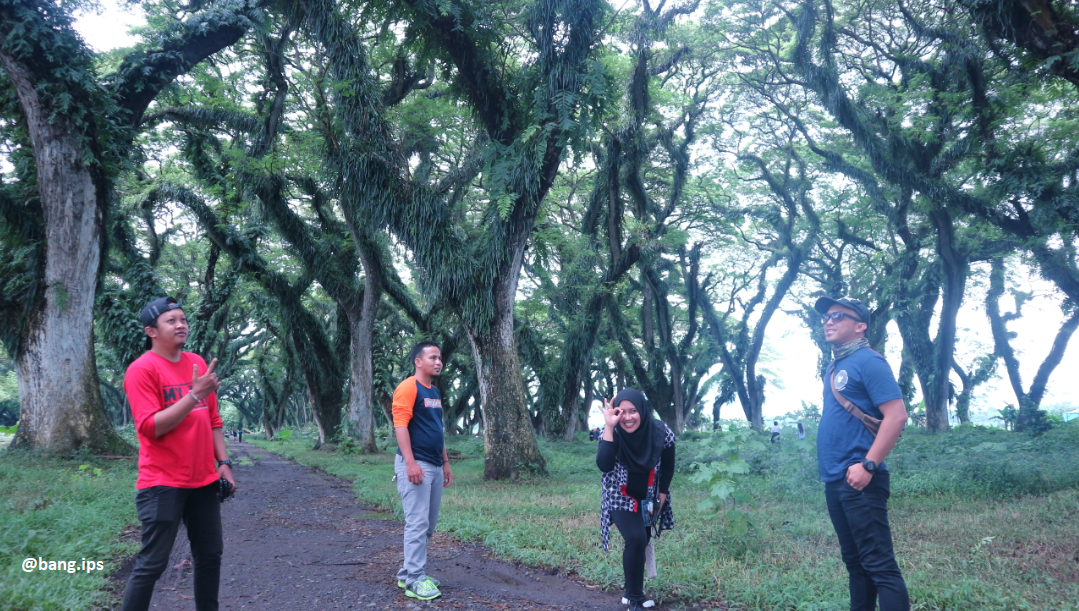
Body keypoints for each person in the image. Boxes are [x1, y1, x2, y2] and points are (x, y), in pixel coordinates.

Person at [121, 297, 235, 611]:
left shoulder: (196, 362)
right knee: (152, 564)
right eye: (171, 320)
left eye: (182, 319)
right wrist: (194, 394)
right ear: (151, 331)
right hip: (162, 483)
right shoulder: (141, 370)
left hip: (203, 481)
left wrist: (223, 463)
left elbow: (213, 419)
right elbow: (149, 427)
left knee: (210, 556)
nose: (181, 324)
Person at [815, 296, 909, 611]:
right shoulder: (836, 365)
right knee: (856, 564)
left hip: (861, 479)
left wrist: (869, 465)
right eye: (826, 317)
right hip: (836, 478)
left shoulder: (869, 361)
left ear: (860, 326)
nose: (828, 321)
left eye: (838, 316)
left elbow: (896, 416)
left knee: (879, 565)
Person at [597, 389, 675, 611]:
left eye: (633, 411)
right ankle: (634, 598)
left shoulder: (661, 432)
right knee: (636, 539)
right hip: (619, 497)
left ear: (642, 410)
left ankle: (631, 592)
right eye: (623, 412)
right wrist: (610, 426)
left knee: (644, 539)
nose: (628, 417)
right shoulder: (613, 433)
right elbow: (604, 465)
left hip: (650, 498)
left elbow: (668, 466)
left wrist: (661, 499)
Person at [393, 341, 453, 601]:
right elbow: (401, 426)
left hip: (435, 464)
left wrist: (446, 462)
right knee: (417, 523)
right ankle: (416, 579)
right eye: (433, 357)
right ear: (418, 361)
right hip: (416, 464)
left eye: (440, 358)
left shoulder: (435, 393)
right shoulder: (408, 387)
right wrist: (410, 463)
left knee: (428, 524)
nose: (438, 362)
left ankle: (408, 572)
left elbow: (437, 430)